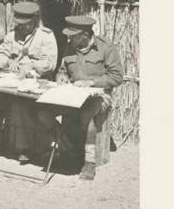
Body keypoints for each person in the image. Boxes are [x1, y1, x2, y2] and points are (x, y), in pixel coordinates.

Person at [0, 1, 61, 162]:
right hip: (12, 83)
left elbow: (50, 64)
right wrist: (8, 62)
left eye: (27, 24)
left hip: (36, 86)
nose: (23, 28)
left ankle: (23, 148)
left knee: (19, 105)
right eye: (20, 24)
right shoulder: (12, 35)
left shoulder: (46, 36)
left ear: (35, 20)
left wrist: (32, 64)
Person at [53, 15, 123, 180]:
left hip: (99, 95)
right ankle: (68, 150)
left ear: (85, 34)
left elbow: (117, 77)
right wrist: (61, 76)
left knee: (85, 114)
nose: (69, 38)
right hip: (72, 94)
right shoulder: (70, 47)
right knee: (42, 112)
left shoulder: (105, 47)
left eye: (73, 35)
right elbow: (62, 69)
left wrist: (92, 82)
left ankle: (89, 162)